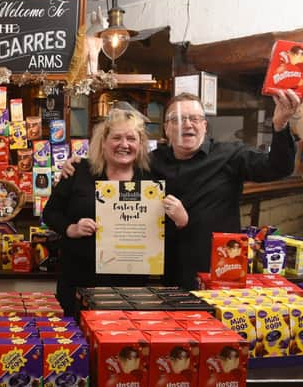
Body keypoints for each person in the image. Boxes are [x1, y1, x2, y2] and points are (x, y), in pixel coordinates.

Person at [62, 90, 301, 290]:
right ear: (166, 128)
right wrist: (77, 165)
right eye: (177, 119)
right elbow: (114, 165)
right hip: (167, 272)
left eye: (194, 118)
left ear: (204, 126)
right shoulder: (151, 162)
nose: (187, 124)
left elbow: (277, 168)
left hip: (218, 269)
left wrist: (279, 126)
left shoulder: (230, 155)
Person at [43, 108, 188, 315]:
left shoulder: (152, 180)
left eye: (131, 138)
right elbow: (51, 213)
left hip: (131, 286)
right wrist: (70, 228)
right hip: (79, 280)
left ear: (140, 145)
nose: (124, 144)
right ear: (103, 142)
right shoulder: (78, 171)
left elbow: (165, 232)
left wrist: (181, 220)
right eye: (117, 138)